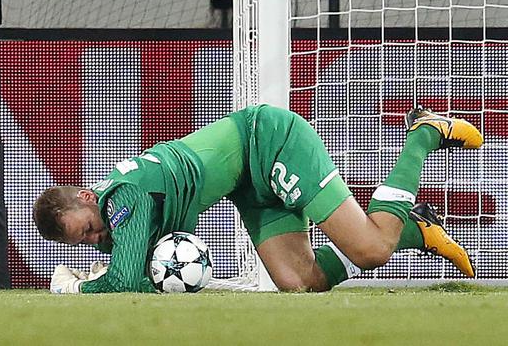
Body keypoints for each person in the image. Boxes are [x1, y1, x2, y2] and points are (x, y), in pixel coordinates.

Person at [34, 105, 483, 293]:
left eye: (87, 228)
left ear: (88, 196)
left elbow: (125, 281)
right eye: (82, 241)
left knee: (371, 248)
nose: (95, 237)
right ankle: (416, 229)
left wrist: (75, 287)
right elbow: (123, 268)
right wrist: (105, 270)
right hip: (248, 185)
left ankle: (423, 133)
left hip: (269, 141)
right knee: (299, 282)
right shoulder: (116, 212)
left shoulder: (124, 197)